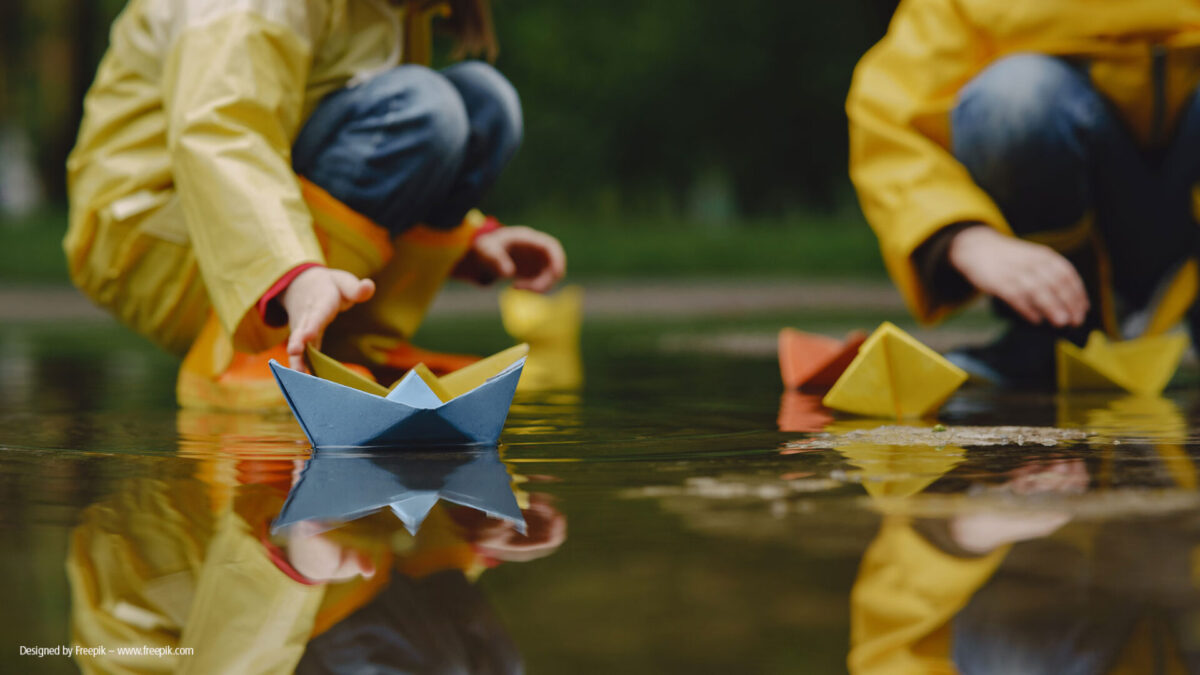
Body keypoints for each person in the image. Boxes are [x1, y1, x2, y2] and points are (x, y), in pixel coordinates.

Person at [64, 0, 565, 409]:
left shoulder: (394, 11)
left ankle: (351, 345)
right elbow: (219, 131)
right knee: (425, 108)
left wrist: (465, 237)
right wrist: (291, 271)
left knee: (483, 105)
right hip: (154, 229)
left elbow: (337, 122)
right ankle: (264, 347)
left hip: (239, 211)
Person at [847, 1, 1200, 388]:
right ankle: (1054, 336)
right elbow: (890, 119)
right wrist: (962, 235)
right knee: (1013, 98)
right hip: (1081, 226)